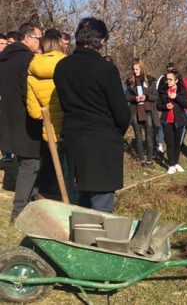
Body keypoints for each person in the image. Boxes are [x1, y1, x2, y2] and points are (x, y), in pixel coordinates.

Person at [54, 17, 130, 213]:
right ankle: (94, 242)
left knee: (82, 198)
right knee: (101, 204)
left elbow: (64, 103)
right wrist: (115, 133)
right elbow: (122, 114)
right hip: (101, 141)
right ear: (102, 41)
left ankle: (81, 236)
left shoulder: (62, 67)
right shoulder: (105, 69)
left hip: (74, 138)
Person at [26, 33, 77, 202]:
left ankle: (52, 196)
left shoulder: (33, 72)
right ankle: (72, 203)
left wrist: (46, 110)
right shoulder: (69, 66)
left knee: (54, 168)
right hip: (70, 127)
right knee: (70, 171)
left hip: (49, 131)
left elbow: (34, 112)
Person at [0, 22, 43, 220]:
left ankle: (32, 200)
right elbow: (30, 92)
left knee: (24, 162)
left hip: (8, 118)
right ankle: (18, 212)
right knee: (30, 164)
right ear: (27, 38)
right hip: (26, 119)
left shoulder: (4, 59)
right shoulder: (28, 60)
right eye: (38, 38)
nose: (40, 43)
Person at [126, 59, 160, 166]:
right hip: (135, 110)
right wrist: (134, 98)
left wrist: (147, 97)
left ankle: (149, 160)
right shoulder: (130, 81)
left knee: (149, 136)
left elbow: (156, 96)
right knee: (138, 135)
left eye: (137, 69)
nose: (135, 71)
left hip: (148, 110)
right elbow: (126, 96)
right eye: (134, 69)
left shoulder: (150, 80)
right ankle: (142, 159)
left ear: (142, 68)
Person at [157, 70, 187, 174]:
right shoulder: (163, 90)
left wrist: (176, 97)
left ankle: (176, 163)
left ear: (176, 80)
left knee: (177, 143)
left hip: (179, 120)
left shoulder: (181, 90)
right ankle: (171, 165)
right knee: (169, 143)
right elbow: (158, 105)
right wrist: (165, 106)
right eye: (167, 79)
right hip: (167, 120)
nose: (168, 81)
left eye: (170, 79)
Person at [155, 62, 177, 153]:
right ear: (166, 68)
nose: (170, 69)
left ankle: (172, 145)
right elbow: (157, 90)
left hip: (175, 106)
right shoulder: (162, 78)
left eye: (172, 68)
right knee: (162, 124)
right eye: (168, 68)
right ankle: (159, 143)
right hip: (163, 103)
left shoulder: (177, 78)